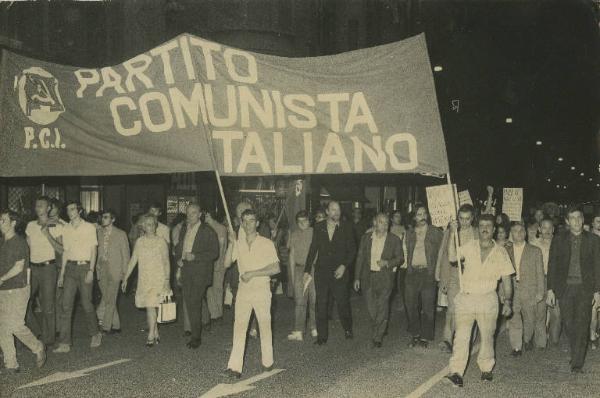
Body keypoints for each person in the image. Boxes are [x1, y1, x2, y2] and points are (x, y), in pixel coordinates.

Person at [445, 214, 514, 387]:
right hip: (467, 297)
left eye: (488, 226)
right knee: (461, 336)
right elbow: (452, 257)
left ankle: (486, 368)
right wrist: (452, 233)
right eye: (482, 225)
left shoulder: (501, 251)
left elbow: (507, 280)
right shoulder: (470, 246)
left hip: (488, 299)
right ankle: (456, 372)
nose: (484, 228)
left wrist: (507, 301)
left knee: (487, 336)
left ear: (494, 229)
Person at [223, 209, 279, 379]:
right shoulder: (238, 243)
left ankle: (268, 362)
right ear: (241, 223)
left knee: (264, 326)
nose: (248, 224)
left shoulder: (266, 243)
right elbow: (226, 264)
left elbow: (276, 268)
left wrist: (253, 273)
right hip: (244, 291)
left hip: (261, 289)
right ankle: (234, 367)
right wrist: (232, 243)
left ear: (257, 223)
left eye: (251, 220)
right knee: (239, 327)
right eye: (245, 221)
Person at [547, 205, 600, 373]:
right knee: (569, 324)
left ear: (583, 219)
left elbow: (598, 267)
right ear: (567, 221)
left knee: (583, 324)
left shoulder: (593, 240)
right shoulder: (559, 239)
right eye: (572, 218)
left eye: (579, 217)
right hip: (565, 288)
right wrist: (550, 289)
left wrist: (597, 291)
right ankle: (576, 349)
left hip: (585, 289)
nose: (576, 221)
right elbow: (552, 264)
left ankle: (577, 363)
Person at [0, 209, 46, 373]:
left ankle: (37, 346)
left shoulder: (19, 242)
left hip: (18, 288)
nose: (0, 223)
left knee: (15, 325)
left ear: (13, 223)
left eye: (3, 220)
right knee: (3, 327)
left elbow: (18, 267)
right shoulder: (2, 242)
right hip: (4, 290)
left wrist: (1, 279)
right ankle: (11, 363)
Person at [304, 201, 356, 345]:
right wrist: (307, 270)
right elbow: (313, 248)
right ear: (327, 212)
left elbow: (352, 250)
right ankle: (322, 336)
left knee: (342, 303)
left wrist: (344, 266)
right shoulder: (319, 227)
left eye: (338, 209)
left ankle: (347, 328)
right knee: (321, 304)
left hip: (340, 271)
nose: (336, 212)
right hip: (322, 272)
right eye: (333, 210)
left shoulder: (347, 227)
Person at [54, 202, 102, 353]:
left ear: (80, 211)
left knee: (87, 303)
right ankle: (64, 343)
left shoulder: (89, 227)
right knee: (66, 305)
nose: (70, 212)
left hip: (84, 267)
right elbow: (65, 252)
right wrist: (62, 274)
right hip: (70, 269)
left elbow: (93, 250)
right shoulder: (66, 228)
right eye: (67, 210)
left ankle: (95, 334)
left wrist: (91, 270)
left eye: (73, 209)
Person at [353, 213, 403, 347]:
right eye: (381, 222)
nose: (385, 225)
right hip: (367, 277)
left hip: (385, 277)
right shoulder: (366, 238)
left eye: (387, 223)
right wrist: (356, 278)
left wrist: (387, 262)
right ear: (375, 223)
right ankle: (381, 325)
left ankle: (378, 336)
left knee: (382, 306)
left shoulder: (394, 240)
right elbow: (360, 258)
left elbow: (400, 258)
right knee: (371, 308)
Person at [122, 214, 171, 346]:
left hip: (158, 278)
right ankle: (155, 332)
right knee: (151, 306)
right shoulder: (139, 241)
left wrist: (167, 280)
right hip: (144, 279)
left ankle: (151, 334)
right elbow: (133, 260)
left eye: (153, 224)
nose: (151, 227)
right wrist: (126, 277)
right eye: (148, 224)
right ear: (143, 226)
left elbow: (166, 262)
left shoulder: (161, 241)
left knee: (152, 305)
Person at [174, 204, 219, 348]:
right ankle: (198, 329)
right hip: (186, 270)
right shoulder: (184, 229)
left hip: (200, 272)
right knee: (189, 303)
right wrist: (179, 259)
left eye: (193, 213)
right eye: (188, 213)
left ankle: (196, 337)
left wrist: (195, 256)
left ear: (200, 214)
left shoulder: (207, 230)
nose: (190, 216)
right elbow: (179, 247)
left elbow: (214, 252)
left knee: (195, 303)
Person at [436, 204, 478, 353]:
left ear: (472, 218)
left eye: (467, 219)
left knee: (470, 310)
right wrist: (440, 275)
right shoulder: (450, 231)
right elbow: (442, 253)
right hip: (454, 273)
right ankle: (447, 339)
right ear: (457, 218)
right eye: (461, 218)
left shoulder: (477, 233)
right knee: (451, 309)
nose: (464, 222)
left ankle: (468, 341)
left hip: (472, 275)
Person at [25, 196, 63, 347]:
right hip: (33, 268)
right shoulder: (30, 225)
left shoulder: (56, 226)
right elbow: (27, 249)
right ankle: (36, 332)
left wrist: (47, 234)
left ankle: (48, 339)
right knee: (24, 301)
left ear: (48, 208)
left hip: (48, 268)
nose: (38, 207)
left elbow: (61, 249)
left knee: (48, 306)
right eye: (36, 205)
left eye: (41, 205)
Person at [404, 204, 443, 348]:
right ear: (414, 217)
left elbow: (442, 252)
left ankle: (425, 337)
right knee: (410, 305)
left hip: (428, 273)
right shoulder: (409, 232)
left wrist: (439, 272)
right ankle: (415, 334)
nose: (422, 216)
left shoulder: (435, 232)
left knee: (427, 306)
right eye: (419, 214)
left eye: (424, 213)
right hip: (412, 273)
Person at [506, 222, 545, 355]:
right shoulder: (506, 250)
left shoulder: (535, 251)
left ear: (526, 232)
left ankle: (527, 338)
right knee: (514, 316)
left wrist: (540, 291)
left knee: (530, 318)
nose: (519, 233)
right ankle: (516, 346)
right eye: (515, 231)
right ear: (511, 234)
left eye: (522, 230)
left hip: (529, 288)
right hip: (512, 287)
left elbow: (540, 273)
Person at [96, 210, 130, 334]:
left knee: (110, 298)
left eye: (106, 217)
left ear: (113, 219)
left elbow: (126, 255)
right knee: (108, 297)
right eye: (102, 217)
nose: (103, 219)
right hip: (101, 268)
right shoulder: (98, 233)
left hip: (115, 270)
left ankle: (106, 326)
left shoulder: (121, 234)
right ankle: (116, 325)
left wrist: (125, 275)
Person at [287, 211, 317, 341]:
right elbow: (292, 255)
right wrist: (293, 277)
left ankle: (315, 327)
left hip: (314, 269)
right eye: (299, 221)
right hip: (299, 269)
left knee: (314, 299)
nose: (302, 223)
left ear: (309, 220)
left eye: (305, 220)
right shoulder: (293, 235)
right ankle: (299, 330)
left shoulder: (315, 233)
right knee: (300, 300)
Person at [532, 218, 556, 347]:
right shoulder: (534, 244)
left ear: (553, 229)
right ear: (539, 229)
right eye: (544, 228)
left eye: (549, 228)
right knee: (540, 309)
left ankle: (552, 332)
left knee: (553, 310)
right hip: (539, 279)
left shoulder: (558, 243)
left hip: (554, 279)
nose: (546, 231)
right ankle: (541, 337)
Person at [204, 209, 228, 323]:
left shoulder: (220, 228)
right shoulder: (207, 227)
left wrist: (218, 263)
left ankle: (217, 313)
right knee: (210, 288)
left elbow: (222, 248)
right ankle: (214, 313)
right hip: (210, 263)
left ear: (209, 215)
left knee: (217, 287)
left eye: (206, 215)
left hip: (218, 263)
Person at [390, 210, 408, 311]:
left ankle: (401, 303)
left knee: (401, 282)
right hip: (392, 259)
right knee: (392, 282)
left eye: (399, 216)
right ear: (392, 219)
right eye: (396, 216)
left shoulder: (404, 229)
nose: (398, 218)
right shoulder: (389, 229)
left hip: (402, 259)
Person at [590, 213, 600, 349]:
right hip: (591, 279)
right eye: (598, 221)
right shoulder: (588, 239)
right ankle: (592, 337)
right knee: (592, 310)